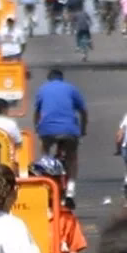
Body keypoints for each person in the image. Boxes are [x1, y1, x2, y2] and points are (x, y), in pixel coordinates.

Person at [34, 69, 88, 198]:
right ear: (62, 78)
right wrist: (83, 129)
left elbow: (37, 113)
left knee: (45, 151)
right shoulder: (71, 89)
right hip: (69, 130)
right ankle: (71, 188)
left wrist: (37, 128)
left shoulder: (42, 89)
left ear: (49, 79)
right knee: (72, 157)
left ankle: (46, 175)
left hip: (47, 130)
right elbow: (83, 111)